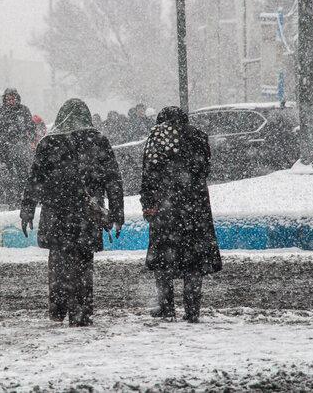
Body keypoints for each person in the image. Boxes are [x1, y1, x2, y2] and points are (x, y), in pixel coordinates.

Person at [20, 98, 124, 327]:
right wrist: (117, 213)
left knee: (57, 261)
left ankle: (58, 308)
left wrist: (27, 210)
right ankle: (81, 311)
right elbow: (113, 180)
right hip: (87, 214)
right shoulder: (98, 140)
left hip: (56, 212)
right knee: (84, 263)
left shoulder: (48, 143)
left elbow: (34, 181)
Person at [140, 106, 222, 323]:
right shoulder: (198, 137)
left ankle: (166, 307)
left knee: (163, 258)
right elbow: (204, 170)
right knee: (193, 260)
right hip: (195, 207)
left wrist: (148, 203)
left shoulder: (157, 136)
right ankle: (192, 309)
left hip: (166, 207)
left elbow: (149, 174)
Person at [0, 88, 36, 205]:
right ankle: (9, 199)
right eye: (8, 99)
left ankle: (22, 197)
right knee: (7, 176)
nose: (11, 101)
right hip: (5, 150)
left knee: (23, 174)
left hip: (21, 148)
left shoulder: (24, 110)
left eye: (13, 98)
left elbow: (31, 128)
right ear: (4, 99)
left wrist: (29, 140)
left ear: (17, 98)